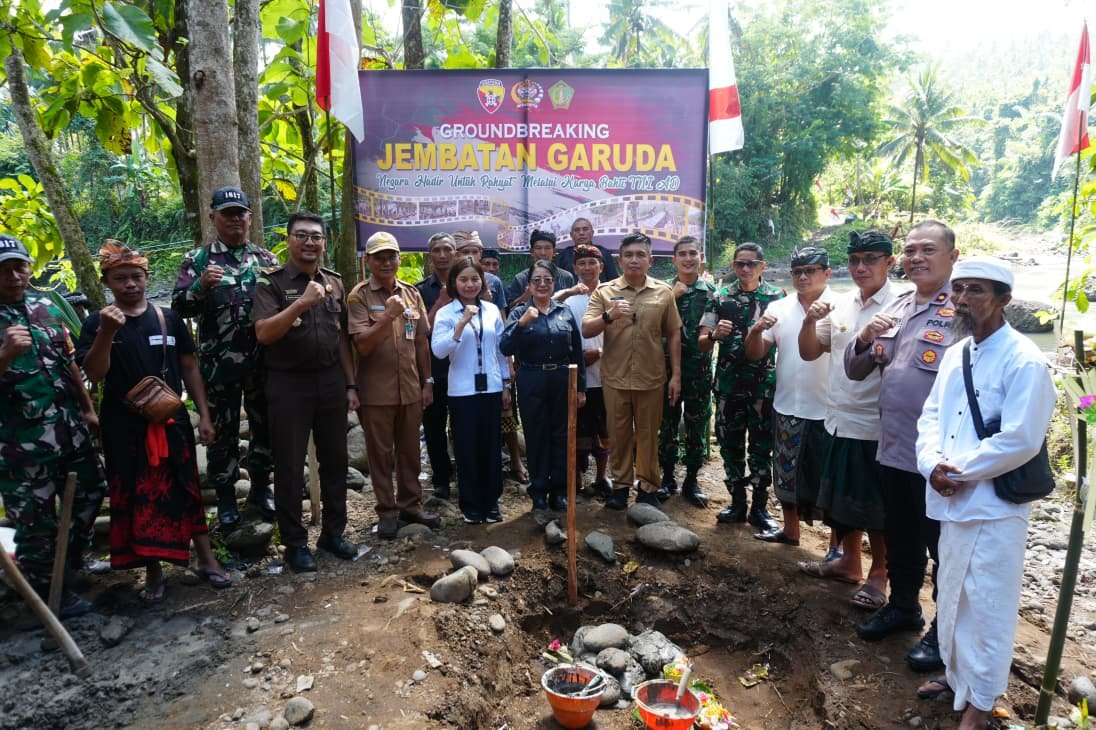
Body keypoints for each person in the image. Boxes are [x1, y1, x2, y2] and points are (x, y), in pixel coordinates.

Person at [914, 257, 1054, 729]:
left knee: (988, 606)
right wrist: (931, 464)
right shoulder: (956, 353)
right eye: (958, 289)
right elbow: (931, 415)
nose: (961, 299)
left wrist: (960, 471)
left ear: (1003, 300)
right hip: (951, 497)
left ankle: (981, 701)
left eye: (975, 290)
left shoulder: (1024, 360)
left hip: (994, 507)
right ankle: (957, 677)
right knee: (953, 592)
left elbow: (1021, 438)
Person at [79, 241, 230, 603]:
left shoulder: (168, 318)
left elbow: (189, 367)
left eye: (136, 276)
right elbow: (95, 374)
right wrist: (106, 332)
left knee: (186, 487)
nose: (130, 284)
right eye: (120, 278)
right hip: (123, 426)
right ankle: (153, 570)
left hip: (170, 420)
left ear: (146, 277)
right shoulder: (96, 323)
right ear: (107, 282)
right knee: (136, 494)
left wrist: (204, 415)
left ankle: (206, 559)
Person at [845, 220, 959, 672]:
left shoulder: (967, 309)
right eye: (910, 250)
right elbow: (856, 370)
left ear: (952, 256)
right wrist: (863, 337)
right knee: (902, 537)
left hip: (942, 459)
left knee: (944, 549)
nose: (916, 258)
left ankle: (945, 632)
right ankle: (904, 606)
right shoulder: (898, 305)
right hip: (894, 447)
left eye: (927, 249)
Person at [0, 233, 106, 617]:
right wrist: (5, 355)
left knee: (92, 492)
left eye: (20, 267)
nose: (14, 276)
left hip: (69, 429)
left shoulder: (45, 306)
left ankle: (70, 565)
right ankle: (46, 595)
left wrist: (88, 409)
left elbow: (69, 361)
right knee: (35, 521)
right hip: (20, 445)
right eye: (4, 270)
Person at [252, 212, 359, 572]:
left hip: (330, 380)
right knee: (289, 463)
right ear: (288, 240)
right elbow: (264, 333)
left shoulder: (335, 282)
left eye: (316, 236)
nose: (310, 242)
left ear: (324, 242)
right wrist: (300, 303)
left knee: (336, 460)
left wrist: (350, 384)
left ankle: (333, 533)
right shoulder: (271, 283)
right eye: (301, 235)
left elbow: (342, 339)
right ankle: (295, 544)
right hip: (288, 382)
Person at [797, 231, 897, 607]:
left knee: (876, 506)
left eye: (870, 259)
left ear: (889, 262)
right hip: (837, 417)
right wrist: (809, 322)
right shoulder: (838, 304)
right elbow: (810, 352)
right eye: (854, 260)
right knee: (842, 501)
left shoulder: (903, 305)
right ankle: (849, 563)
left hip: (877, 424)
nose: (860, 267)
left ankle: (880, 575)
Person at [172, 186, 277, 527]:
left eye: (240, 213)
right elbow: (178, 308)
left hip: (262, 364)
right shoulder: (197, 260)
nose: (234, 219)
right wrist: (200, 286)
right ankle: (227, 497)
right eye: (227, 213)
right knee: (221, 432)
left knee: (265, 427)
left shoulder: (266, 260)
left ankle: (260, 488)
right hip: (218, 367)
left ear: (250, 217)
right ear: (212, 217)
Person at [347, 232, 440, 540]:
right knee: (381, 455)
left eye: (391, 256)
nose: (386, 262)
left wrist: (427, 382)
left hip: (411, 388)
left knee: (411, 452)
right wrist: (387, 316)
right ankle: (387, 512)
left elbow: (421, 341)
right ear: (368, 261)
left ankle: (411, 506)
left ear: (399, 259)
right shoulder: (359, 296)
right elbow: (362, 345)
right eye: (379, 257)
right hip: (377, 392)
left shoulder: (412, 293)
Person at [582, 232, 682, 510]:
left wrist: (676, 375)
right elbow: (586, 328)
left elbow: (674, 332)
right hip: (615, 377)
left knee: (648, 435)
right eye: (629, 255)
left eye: (640, 255)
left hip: (651, 377)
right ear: (620, 260)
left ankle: (648, 488)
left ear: (650, 260)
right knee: (619, 434)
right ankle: (621, 487)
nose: (634, 260)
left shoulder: (663, 292)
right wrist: (609, 315)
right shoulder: (604, 292)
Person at [744, 246, 833, 547]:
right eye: (797, 272)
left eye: (810, 271)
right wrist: (755, 331)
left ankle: (837, 546)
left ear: (826, 273)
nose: (803, 277)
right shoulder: (779, 307)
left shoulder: (842, 305)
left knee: (828, 479)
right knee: (785, 472)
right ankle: (790, 530)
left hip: (829, 408)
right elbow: (755, 353)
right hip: (787, 403)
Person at [699, 242, 784, 530]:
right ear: (733, 266)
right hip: (729, 385)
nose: (745, 269)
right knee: (730, 445)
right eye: (740, 264)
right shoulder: (720, 296)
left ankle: (759, 507)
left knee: (761, 447)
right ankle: (736, 502)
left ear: (762, 266)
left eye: (751, 263)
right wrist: (713, 335)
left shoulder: (777, 298)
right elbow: (701, 342)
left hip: (763, 387)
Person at [501, 260, 586, 511]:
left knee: (561, 435)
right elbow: (505, 346)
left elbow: (576, 352)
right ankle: (538, 491)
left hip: (562, 378)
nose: (542, 284)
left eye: (547, 280)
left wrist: (580, 388)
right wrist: (522, 323)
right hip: (531, 378)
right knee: (536, 435)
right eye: (536, 280)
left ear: (554, 284)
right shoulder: (519, 313)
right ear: (528, 285)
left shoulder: (564, 311)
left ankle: (559, 491)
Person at [431, 258, 511, 524]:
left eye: (475, 279)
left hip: (491, 387)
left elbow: (500, 350)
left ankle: (491, 502)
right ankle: (471, 505)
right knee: (466, 447)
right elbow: (439, 351)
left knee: (491, 446)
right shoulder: (446, 313)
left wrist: (506, 383)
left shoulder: (491, 310)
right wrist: (461, 323)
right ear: (454, 283)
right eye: (463, 279)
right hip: (462, 391)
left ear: (482, 282)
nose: (469, 284)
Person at [658, 236, 717, 507]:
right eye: (682, 254)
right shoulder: (662, 290)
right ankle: (667, 477)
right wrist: (674, 296)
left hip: (699, 371)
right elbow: (649, 323)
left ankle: (691, 480)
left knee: (696, 426)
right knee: (667, 424)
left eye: (693, 253)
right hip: (665, 371)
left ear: (700, 257)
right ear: (674, 259)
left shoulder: (712, 292)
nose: (688, 258)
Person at [563, 245, 612, 497]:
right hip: (578, 377)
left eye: (592, 263)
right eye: (581, 263)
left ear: (601, 267)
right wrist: (578, 358)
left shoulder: (613, 296)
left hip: (607, 375)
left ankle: (602, 477)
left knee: (605, 429)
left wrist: (600, 353)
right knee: (578, 429)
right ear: (574, 268)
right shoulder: (568, 300)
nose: (587, 268)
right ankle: (578, 477)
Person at [416, 233, 459, 497]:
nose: (442, 255)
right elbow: (417, 332)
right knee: (434, 428)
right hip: (433, 371)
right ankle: (441, 478)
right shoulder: (419, 290)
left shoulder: (467, 284)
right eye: (436, 250)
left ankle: (467, 475)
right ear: (429, 255)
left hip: (464, 371)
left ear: (455, 253)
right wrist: (440, 304)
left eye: (447, 249)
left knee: (464, 426)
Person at [507, 230, 575, 309]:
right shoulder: (521, 279)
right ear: (532, 252)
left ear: (554, 251)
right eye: (538, 248)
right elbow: (510, 309)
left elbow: (573, 304)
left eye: (547, 248)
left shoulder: (566, 277)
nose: (543, 253)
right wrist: (527, 294)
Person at [453, 231, 507, 310]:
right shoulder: (448, 279)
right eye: (466, 252)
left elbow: (501, 316)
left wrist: (487, 303)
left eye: (475, 252)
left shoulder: (493, 281)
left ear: (480, 254)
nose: (470, 256)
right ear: (456, 255)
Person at [555, 218, 619, 282]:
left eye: (585, 229)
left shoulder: (604, 253)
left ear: (592, 233)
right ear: (571, 235)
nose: (581, 233)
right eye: (577, 230)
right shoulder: (563, 256)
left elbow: (613, 281)